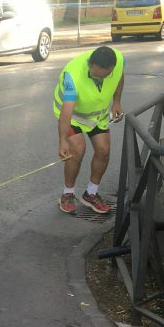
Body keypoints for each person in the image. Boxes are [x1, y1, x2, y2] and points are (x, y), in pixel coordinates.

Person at [53, 45, 124, 215]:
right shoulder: (73, 74)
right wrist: (62, 141)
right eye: (95, 75)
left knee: (104, 150)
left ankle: (91, 194)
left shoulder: (118, 60)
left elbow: (120, 77)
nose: (100, 79)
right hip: (73, 116)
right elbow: (67, 109)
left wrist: (116, 102)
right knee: (77, 150)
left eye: (105, 76)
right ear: (90, 64)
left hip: (96, 114)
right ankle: (67, 194)